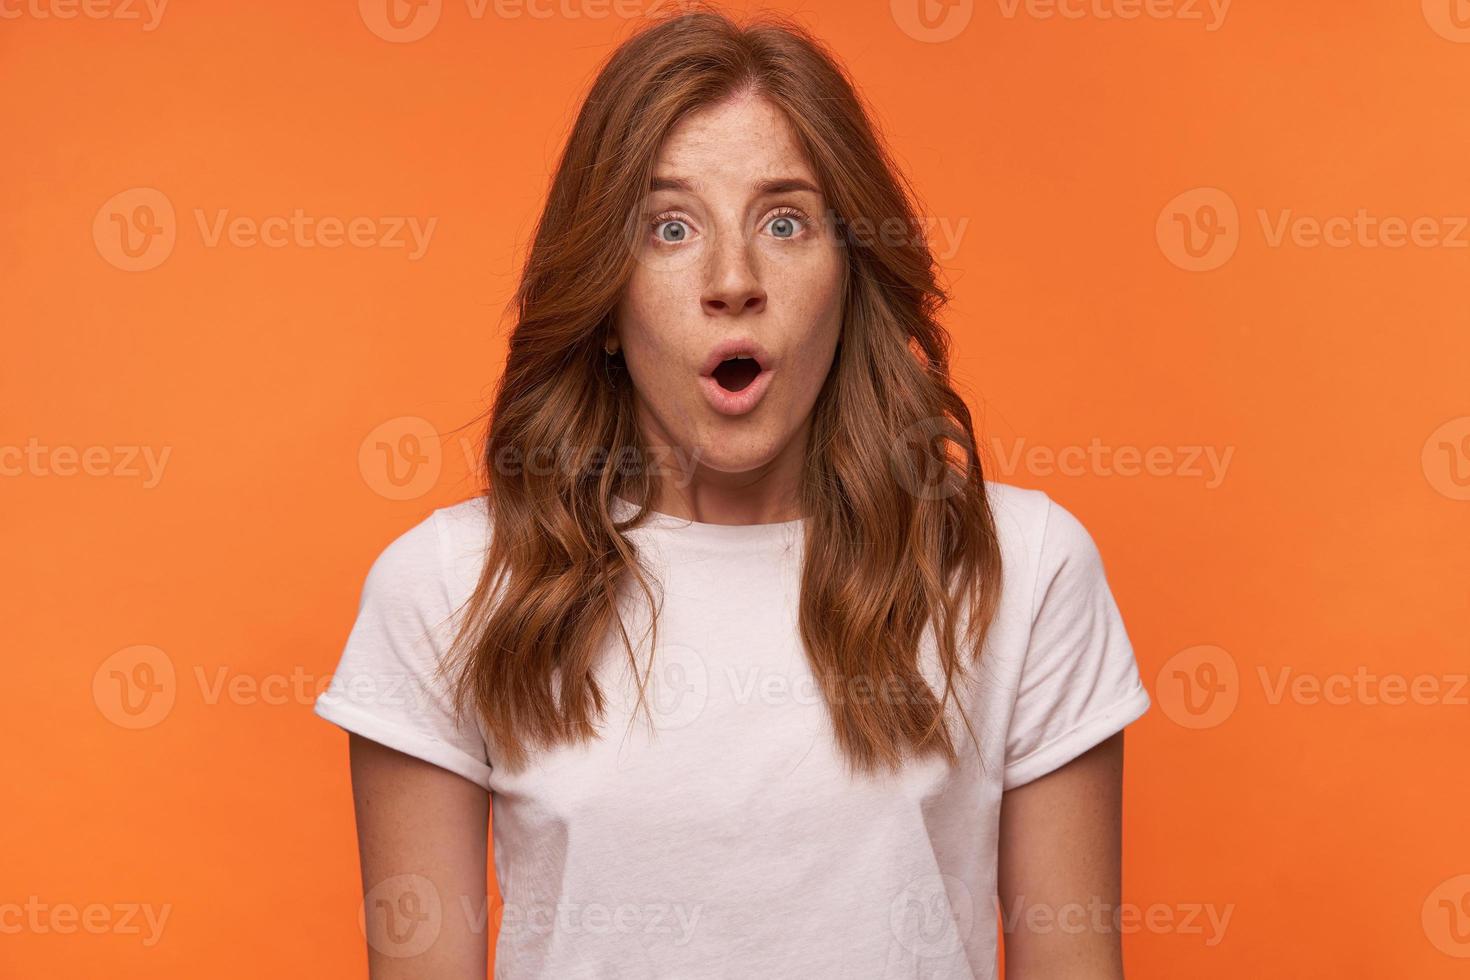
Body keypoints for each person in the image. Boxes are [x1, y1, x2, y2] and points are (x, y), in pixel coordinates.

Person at [314, 7, 1151, 978]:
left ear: (849, 274)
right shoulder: (448, 586)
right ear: (608, 301)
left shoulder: (1022, 566)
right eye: (670, 227)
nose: (732, 279)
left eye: (785, 221)